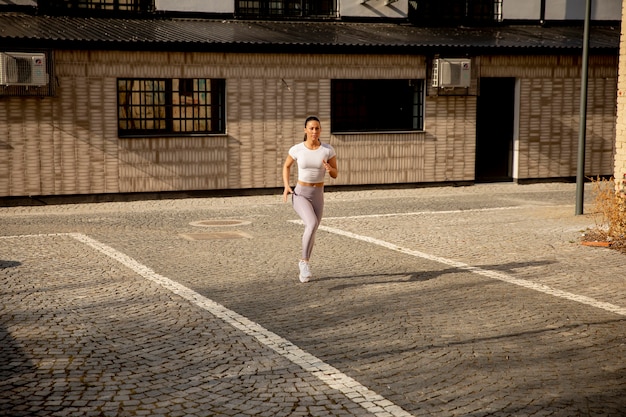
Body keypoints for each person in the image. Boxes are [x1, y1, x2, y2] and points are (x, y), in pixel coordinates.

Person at [283, 116, 338, 283]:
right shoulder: (297, 149)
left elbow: (336, 174)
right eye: (311, 128)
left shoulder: (328, 150)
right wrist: (286, 186)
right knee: (312, 223)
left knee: (313, 229)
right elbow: (286, 166)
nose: (314, 131)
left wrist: (330, 169)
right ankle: (304, 262)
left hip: (318, 195)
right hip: (301, 194)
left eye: (317, 128)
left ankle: (305, 265)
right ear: (305, 130)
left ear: (320, 130)